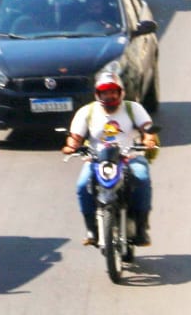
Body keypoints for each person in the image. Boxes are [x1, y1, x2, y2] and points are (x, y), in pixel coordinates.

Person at [63, 72, 157, 246]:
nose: (110, 95)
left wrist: (148, 139)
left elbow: (147, 128)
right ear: (98, 94)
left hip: (129, 157)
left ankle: (142, 227)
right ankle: (91, 229)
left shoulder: (133, 108)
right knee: (83, 185)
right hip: (97, 160)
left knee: (142, 178)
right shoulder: (87, 112)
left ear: (120, 92)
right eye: (105, 92)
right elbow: (75, 136)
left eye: (113, 91)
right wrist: (71, 146)